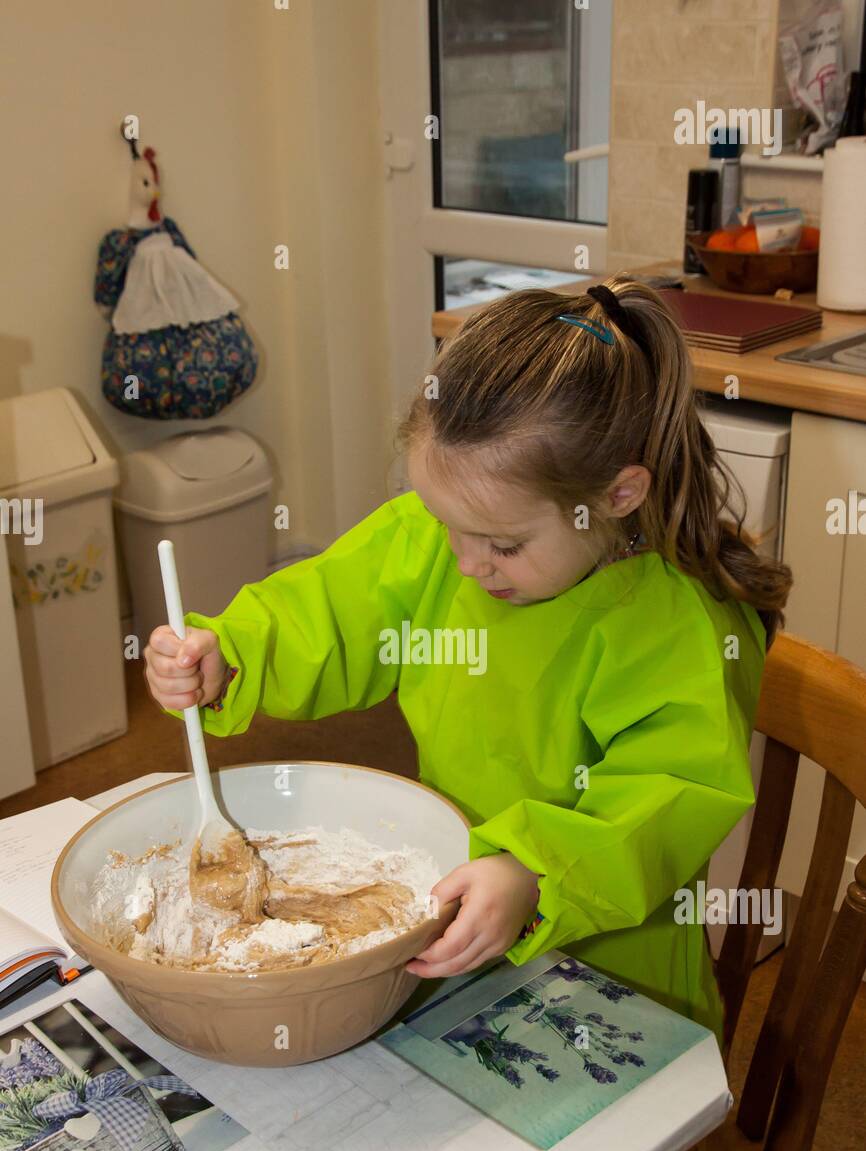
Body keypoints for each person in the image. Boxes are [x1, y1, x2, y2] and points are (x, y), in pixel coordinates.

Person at [144, 276, 792, 1047]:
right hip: (453, 915)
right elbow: (331, 607)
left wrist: (533, 873)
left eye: (505, 545)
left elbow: (662, 799)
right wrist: (233, 652)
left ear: (617, 495)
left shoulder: (679, 626)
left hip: (612, 970)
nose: (466, 564)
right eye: (446, 526)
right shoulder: (448, 536)